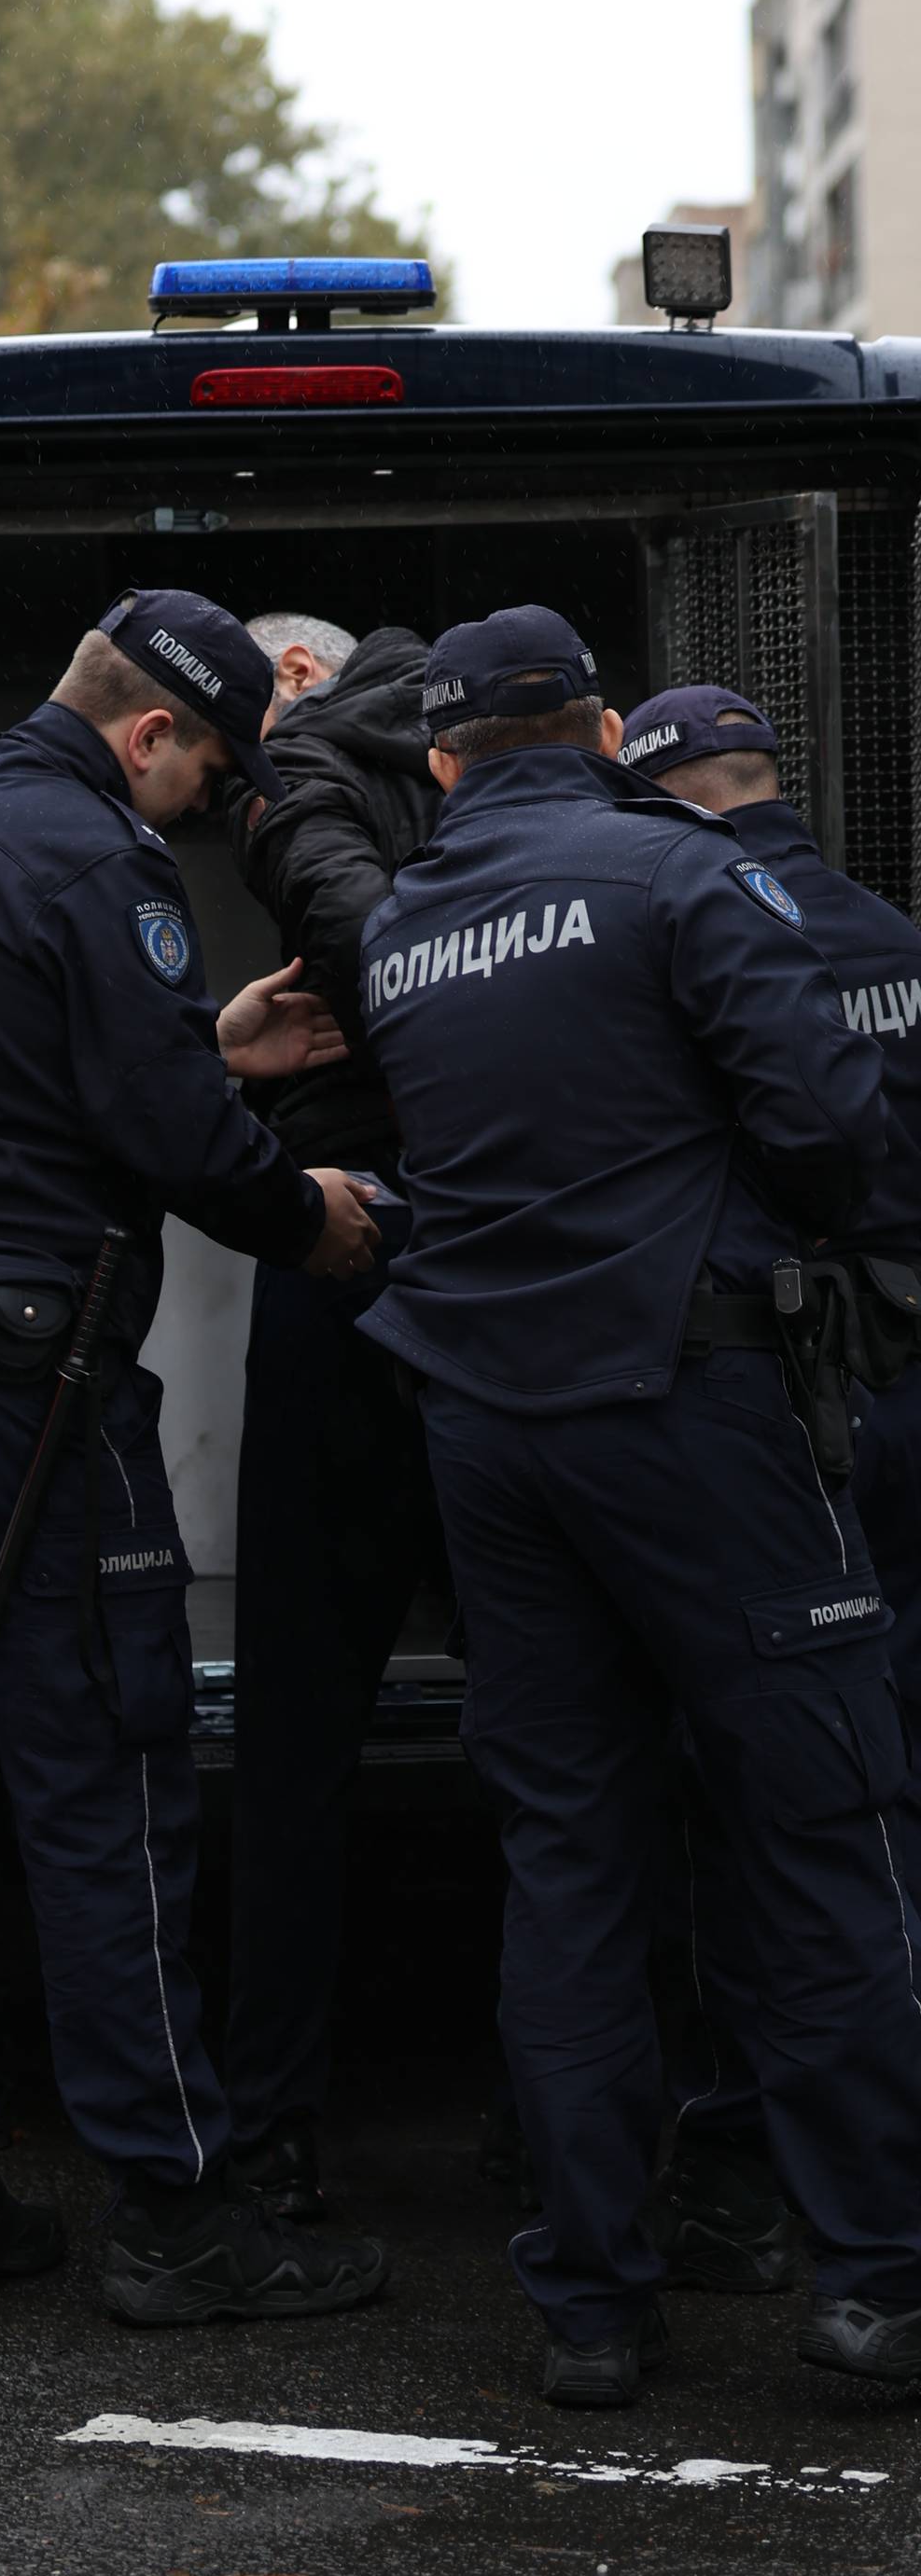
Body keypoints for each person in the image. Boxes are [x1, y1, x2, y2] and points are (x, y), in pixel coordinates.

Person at [0, 588, 390, 2322]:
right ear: (147, 733)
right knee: (105, 1765)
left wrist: (214, 1044)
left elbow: (6, 1075)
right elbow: (162, 1141)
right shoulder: (98, 864)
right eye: (207, 765)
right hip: (15, 1368)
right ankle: (178, 2216)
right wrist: (318, 1222)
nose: (205, 802)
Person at [356, 603, 921, 2407]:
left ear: (443, 764)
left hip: (489, 1437)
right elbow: (831, 1131)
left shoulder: (403, 925)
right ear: (602, 735)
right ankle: (878, 2283)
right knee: (819, 1825)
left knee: (570, 1864)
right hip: (695, 1408)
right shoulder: (679, 879)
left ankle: (591, 2307)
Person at [616, 683, 921, 2294]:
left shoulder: (696, 932)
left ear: (670, 797)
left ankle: (743, 2153)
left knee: (765, 1793)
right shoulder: (892, 932)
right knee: (887, 1788)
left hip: (785, 1403)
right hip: (912, 1380)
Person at [221, 612, 445, 2209]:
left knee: (298, 1713)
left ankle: (270, 2126)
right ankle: (607, 2129)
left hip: (360, 1227)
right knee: (574, 1704)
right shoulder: (513, 744)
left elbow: (376, 957)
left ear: (300, 678)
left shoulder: (302, 760)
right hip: (537, 1250)